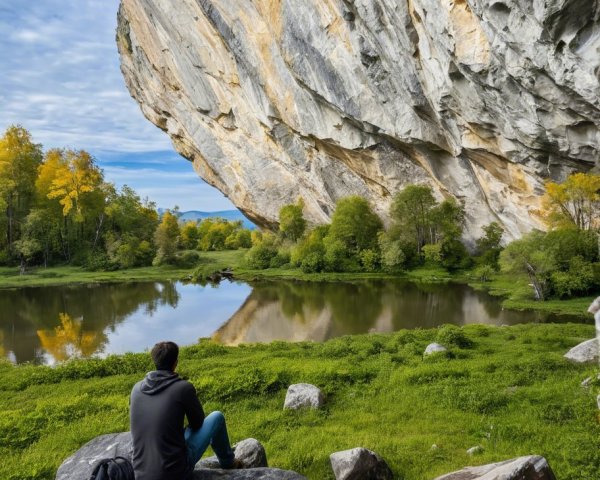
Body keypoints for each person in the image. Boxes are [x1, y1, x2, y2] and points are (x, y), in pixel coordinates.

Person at [130, 341, 238, 480]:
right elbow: (198, 423)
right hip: (176, 472)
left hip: (140, 473)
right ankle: (228, 462)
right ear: (175, 363)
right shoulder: (183, 388)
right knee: (217, 417)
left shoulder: (136, 389)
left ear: (155, 361)